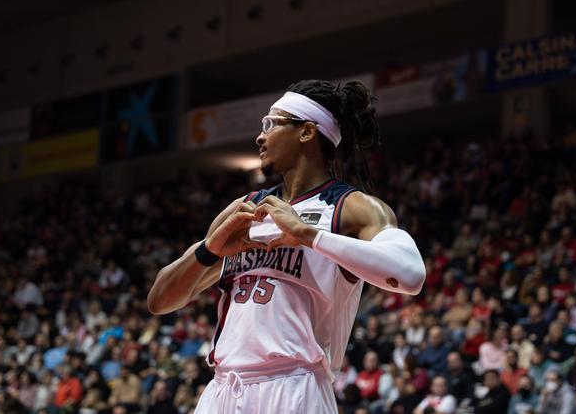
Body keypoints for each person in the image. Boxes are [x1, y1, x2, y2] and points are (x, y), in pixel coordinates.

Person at [147, 80, 426, 413]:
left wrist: (308, 235)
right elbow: (159, 301)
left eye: (271, 124)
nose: (260, 136)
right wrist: (210, 249)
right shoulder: (245, 208)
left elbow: (410, 275)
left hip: (296, 386)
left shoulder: (351, 208)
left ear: (306, 132)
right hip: (223, 387)